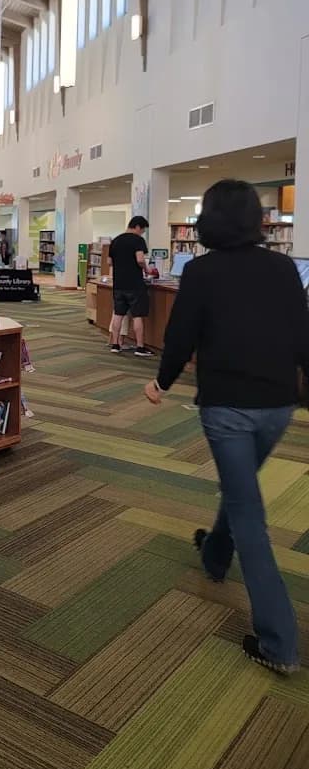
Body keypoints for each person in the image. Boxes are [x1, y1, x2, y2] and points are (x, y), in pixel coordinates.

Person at [144, 179, 309, 675]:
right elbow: (303, 336)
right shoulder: (285, 268)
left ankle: (279, 642)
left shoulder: (201, 271)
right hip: (279, 406)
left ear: (208, 220)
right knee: (242, 494)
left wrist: (162, 382)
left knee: (248, 513)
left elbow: (180, 336)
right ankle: (215, 554)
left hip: (228, 409)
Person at [108, 216, 153, 357]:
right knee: (137, 315)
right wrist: (146, 268)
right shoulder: (138, 240)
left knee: (118, 313)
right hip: (134, 284)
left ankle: (115, 344)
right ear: (138, 227)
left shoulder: (115, 240)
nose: (142, 233)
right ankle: (140, 347)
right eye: (143, 230)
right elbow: (140, 259)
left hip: (118, 283)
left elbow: (109, 262)